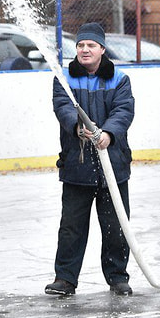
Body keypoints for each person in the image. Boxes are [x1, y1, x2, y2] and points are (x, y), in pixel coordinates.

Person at [45, 22, 135, 296]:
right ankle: (65, 279)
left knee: (115, 227)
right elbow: (62, 108)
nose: (84, 49)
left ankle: (118, 277)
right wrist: (77, 128)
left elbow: (124, 110)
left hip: (113, 168)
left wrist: (108, 133)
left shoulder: (119, 79)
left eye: (90, 45)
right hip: (77, 166)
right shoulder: (64, 79)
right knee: (71, 228)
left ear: (102, 50)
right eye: (81, 45)